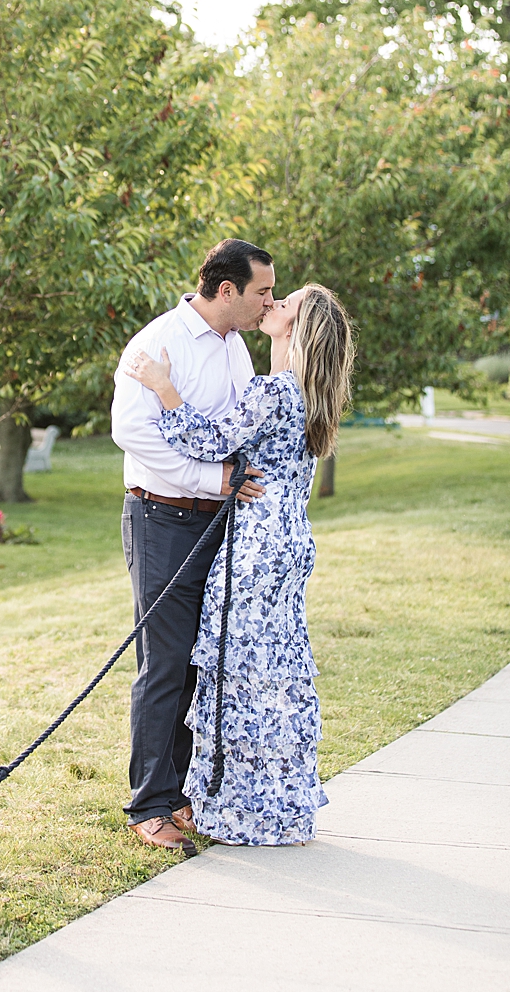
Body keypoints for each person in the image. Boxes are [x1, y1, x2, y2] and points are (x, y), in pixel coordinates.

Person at [126, 284, 353, 845]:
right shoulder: (306, 394)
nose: (273, 305)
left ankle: (238, 806)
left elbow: (208, 440)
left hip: (254, 548)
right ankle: (271, 801)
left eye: (287, 304)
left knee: (238, 676)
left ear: (299, 332)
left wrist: (163, 387)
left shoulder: (274, 392)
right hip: (290, 544)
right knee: (273, 672)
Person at [109, 238, 273, 852]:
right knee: (165, 664)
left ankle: (178, 796)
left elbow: (228, 429)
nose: (269, 302)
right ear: (226, 290)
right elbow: (133, 434)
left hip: (218, 525)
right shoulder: (157, 342)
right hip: (162, 519)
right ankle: (148, 805)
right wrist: (214, 480)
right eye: (262, 292)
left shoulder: (237, 348)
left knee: (201, 664)